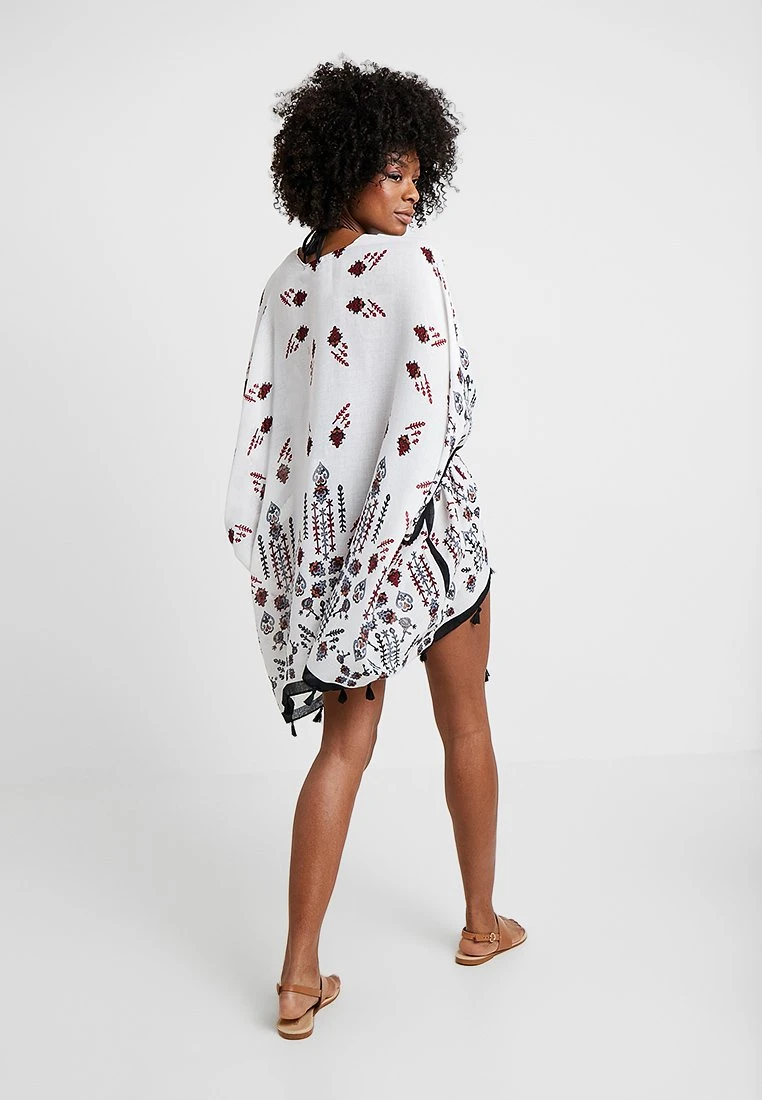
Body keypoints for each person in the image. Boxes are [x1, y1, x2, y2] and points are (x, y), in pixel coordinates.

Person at [224, 58, 526, 1040]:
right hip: (429, 543)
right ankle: (481, 924)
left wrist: (302, 561)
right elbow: (445, 408)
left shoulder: (283, 285)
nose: (408, 196)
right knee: (466, 723)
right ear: (344, 162)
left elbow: (267, 437)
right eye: (392, 173)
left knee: (342, 748)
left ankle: (297, 977)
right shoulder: (407, 268)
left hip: (331, 561)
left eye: (415, 178)